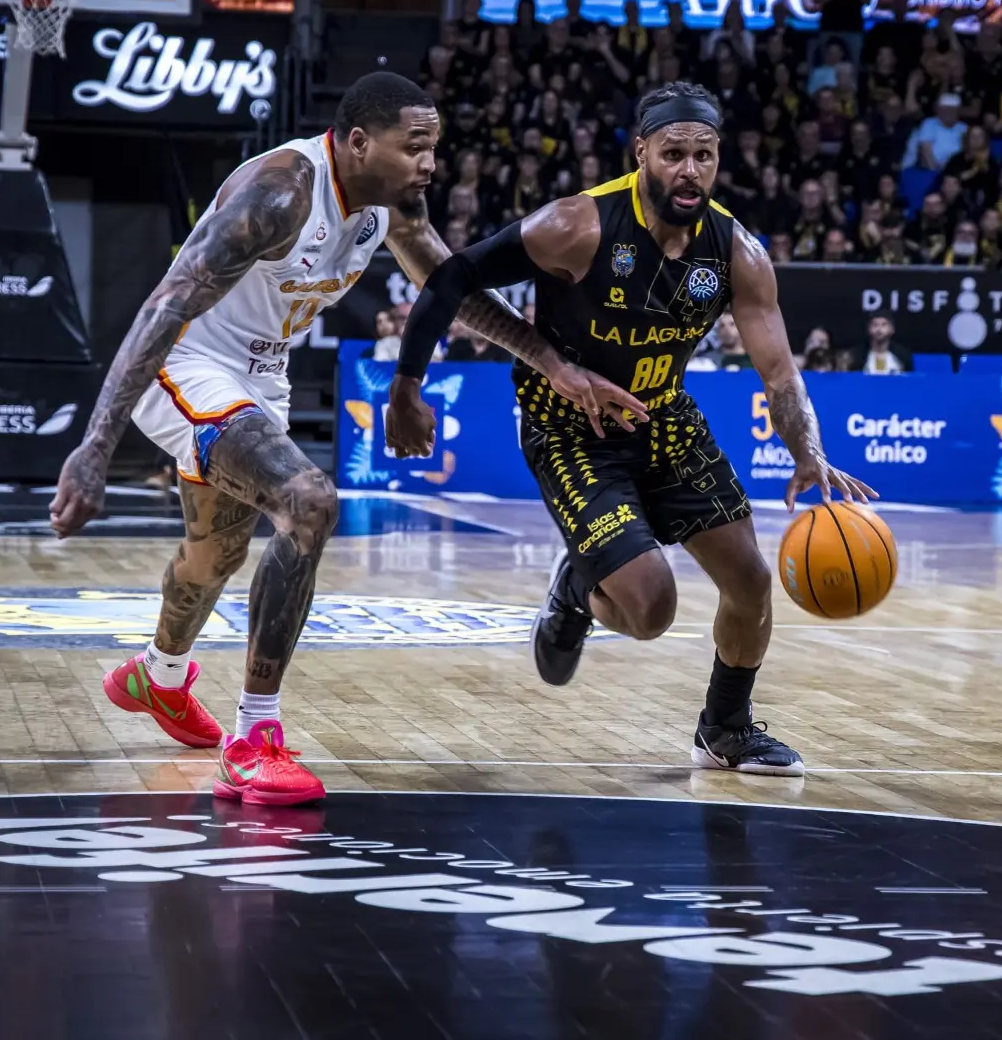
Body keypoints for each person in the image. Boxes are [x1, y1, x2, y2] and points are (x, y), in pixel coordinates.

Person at [47, 73, 636, 807]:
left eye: (434, 148)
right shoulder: (282, 192)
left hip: (262, 374)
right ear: (358, 142)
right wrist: (96, 446)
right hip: (192, 361)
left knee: (215, 555)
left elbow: (449, 289)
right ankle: (255, 737)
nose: (429, 163)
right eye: (414, 146)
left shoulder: (392, 205)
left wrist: (553, 361)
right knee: (308, 500)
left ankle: (157, 678)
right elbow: (163, 306)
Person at [387, 82, 877, 776]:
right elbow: (450, 279)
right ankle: (576, 590)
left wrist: (809, 452)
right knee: (651, 611)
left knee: (751, 581)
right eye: (674, 153)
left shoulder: (738, 251)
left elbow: (780, 372)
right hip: (569, 424)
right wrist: (410, 382)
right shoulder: (577, 224)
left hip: (662, 413)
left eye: (704, 155)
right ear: (641, 151)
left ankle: (725, 729)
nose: (690, 171)